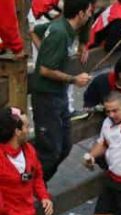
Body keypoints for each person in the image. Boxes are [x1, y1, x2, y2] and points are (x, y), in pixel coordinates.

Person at [30, 0, 94, 182]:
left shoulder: (63, 26)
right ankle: (31, 189)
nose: (91, 15)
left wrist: (83, 42)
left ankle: (38, 186)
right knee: (51, 151)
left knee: (65, 146)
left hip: (59, 96)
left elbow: (35, 31)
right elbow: (44, 69)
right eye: (89, 12)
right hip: (46, 97)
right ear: (80, 14)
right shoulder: (59, 33)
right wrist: (74, 79)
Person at [0, 108, 53, 215]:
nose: (29, 130)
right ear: (16, 131)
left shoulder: (29, 150)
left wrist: (44, 196)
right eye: (26, 127)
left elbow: (36, 175)